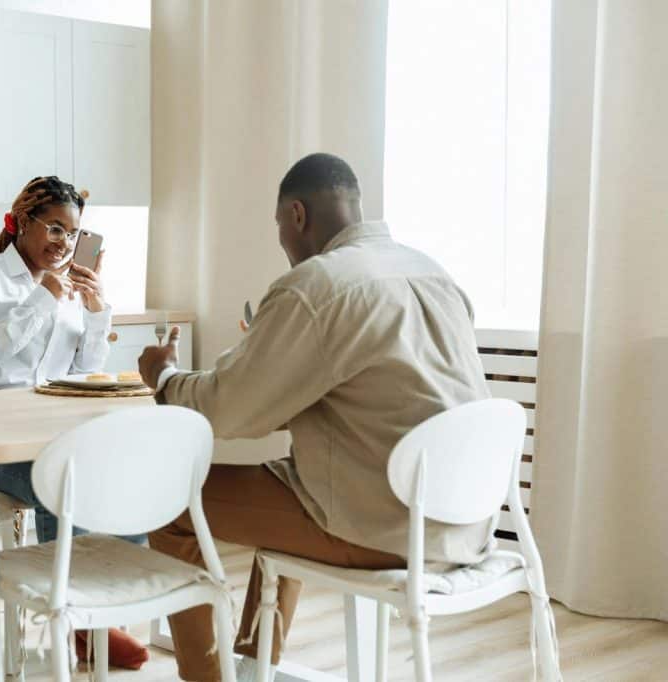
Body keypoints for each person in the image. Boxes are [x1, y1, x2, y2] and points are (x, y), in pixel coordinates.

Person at [138, 153, 491, 682]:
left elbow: (226, 412)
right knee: (290, 478)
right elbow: (383, 394)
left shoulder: (317, 284)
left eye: (279, 226)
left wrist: (164, 377)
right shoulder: (431, 271)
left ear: (297, 215)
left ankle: (207, 677)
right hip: (464, 519)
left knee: (166, 498)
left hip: (387, 526)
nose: (282, 242)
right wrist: (273, 361)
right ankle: (253, 665)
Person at [0, 175, 149, 670]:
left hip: (49, 433)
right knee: (64, 478)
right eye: (54, 228)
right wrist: (41, 301)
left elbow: (82, 374)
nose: (64, 243)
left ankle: (98, 608)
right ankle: (79, 621)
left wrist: (96, 312)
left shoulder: (69, 286)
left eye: (72, 233)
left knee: (122, 472)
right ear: (21, 222)